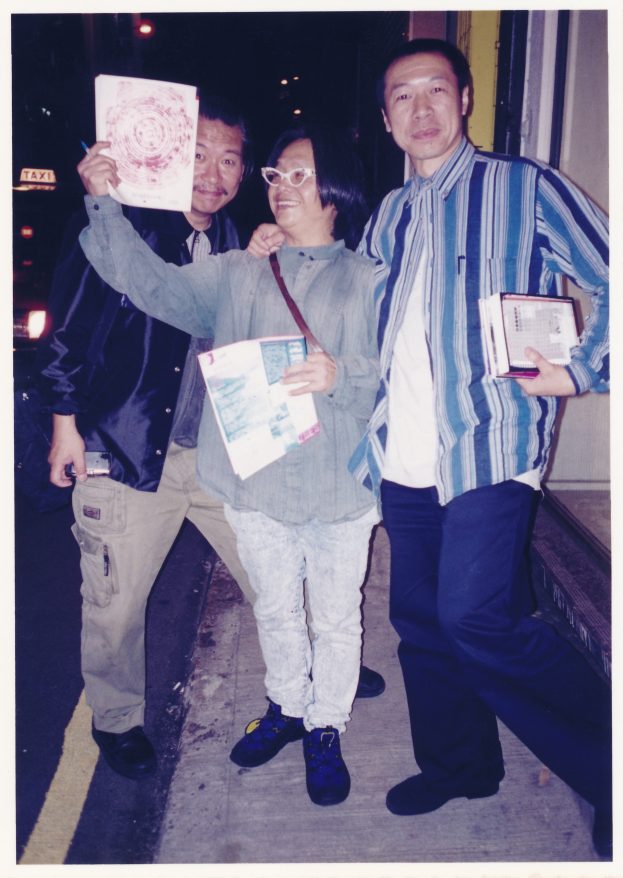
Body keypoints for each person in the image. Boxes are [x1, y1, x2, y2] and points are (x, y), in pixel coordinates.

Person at [344, 38, 610, 857]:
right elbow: (353, 313)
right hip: (403, 451)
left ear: (462, 99)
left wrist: (581, 370)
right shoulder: (388, 215)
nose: (420, 108)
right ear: (386, 119)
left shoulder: (524, 187)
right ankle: (461, 766)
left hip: (490, 442)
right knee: (422, 620)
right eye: (402, 96)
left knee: (475, 616)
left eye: (435, 89)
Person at [76, 124, 382, 806]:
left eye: (299, 175)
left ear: (336, 189)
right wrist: (105, 204)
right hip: (255, 483)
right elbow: (152, 285)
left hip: (338, 487)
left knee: (336, 619)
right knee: (275, 609)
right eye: (275, 175)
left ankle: (325, 726)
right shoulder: (240, 271)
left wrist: (343, 375)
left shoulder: (369, 280)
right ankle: (287, 706)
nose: (281, 187)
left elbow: (403, 380)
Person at [36, 94, 256, 780]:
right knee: (116, 601)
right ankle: (117, 719)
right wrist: (65, 428)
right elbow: (68, 332)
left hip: (216, 455)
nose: (213, 174)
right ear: (169, 157)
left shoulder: (238, 240)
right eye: (198, 155)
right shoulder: (119, 230)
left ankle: (319, 666)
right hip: (126, 449)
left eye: (229, 159)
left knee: (275, 568)